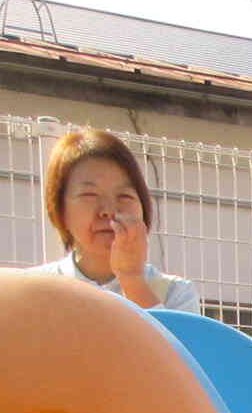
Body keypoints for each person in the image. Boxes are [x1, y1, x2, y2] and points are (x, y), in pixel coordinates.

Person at [35, 127, 199, 312]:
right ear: (60, 210)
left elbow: (170, 342)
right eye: (90, 194)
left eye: (124, 196)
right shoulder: (33, 290)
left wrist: (131, 278)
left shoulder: (175, 293)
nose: (109, 210)